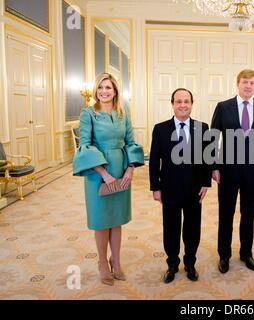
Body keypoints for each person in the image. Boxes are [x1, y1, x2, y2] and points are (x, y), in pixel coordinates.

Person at [73, 73, 144, 286]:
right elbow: (84, 145)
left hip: (121, 168)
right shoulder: (88, 113)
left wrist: (130, 169)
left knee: (117, 219)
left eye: (108, 88)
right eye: (101, 87)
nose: (104, 91)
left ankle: (117, 260)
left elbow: (131, 141)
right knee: (102, 221)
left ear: (115, 91)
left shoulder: (124, 112)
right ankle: (103, 263)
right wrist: (104, 174)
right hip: (98, 171)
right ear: (96, 90)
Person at [211, 69, 254, 273]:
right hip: (227, 170)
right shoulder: (223, 107)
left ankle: (246, 253)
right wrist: (214, 166)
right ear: (237, 84)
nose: (248, 86)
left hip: (252, 170)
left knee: (249, 213)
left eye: (252, 82)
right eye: (245, 82)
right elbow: (213, 137)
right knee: (226, 213)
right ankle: (224, 255)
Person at [150, 88, 211, 283]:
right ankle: (172, 264)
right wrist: (155, 187)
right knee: (171, 228)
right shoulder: (160, 129)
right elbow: (154, 161)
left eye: (186, 101)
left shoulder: (203, 127)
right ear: (173, 104)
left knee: (193, 228)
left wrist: (206, 183)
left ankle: (190, 263)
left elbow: (207, 159)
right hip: (169, 188)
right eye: (179, 101)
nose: (183, 105)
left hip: (194, 189)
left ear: (192, 104)